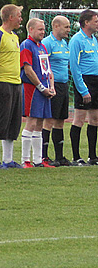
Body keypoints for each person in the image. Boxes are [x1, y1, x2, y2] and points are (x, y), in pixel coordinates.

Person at [0, 4, 24, 169]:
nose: (21, 19)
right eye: (19, 16)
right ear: (11, 17)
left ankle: (8, 159)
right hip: (2, 83)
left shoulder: (15, 36)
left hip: (16, 83)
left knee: (13, 122)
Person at [20, 18, 55, 168]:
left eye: (43, 29)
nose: (43, 32)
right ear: (31, 30)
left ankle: (38, 159)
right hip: (33, 88)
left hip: (45, 88)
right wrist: (41, 87)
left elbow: (48, 69)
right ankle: (25, 159)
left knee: (40, 122)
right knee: (32, 121)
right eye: (40, 29)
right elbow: (28, 69)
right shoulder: (26, 45)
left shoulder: (42, 47)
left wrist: (51, 86)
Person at [68, 9, 98, 166]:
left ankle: (92, 156)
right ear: (86, 22)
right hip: (84, 81)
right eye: (95, 21)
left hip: (96, 81)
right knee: (79, 119)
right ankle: (76, 156)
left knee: (95, 119)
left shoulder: (94, 39)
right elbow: (74, 66)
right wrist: (83, 89)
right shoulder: (76, 40)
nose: (97, 24)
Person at [42, 15, 72, 166]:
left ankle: (59, 157)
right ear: (56, 26)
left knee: (60, 121)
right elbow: (43, 66)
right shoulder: (47, 43)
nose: (69, 30)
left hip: (64, 85)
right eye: (66, 27)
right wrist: (48, 86)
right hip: (52, 86)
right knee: (49, 120)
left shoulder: (64, 43)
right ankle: (44, 156)